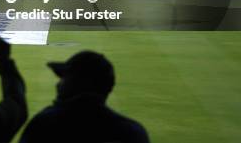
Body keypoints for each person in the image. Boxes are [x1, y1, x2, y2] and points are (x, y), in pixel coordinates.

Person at [20, 51, 149, 143]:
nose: (58, 85)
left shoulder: (43, 125)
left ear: (76, 84)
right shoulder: (133, 132)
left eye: (64, 79)